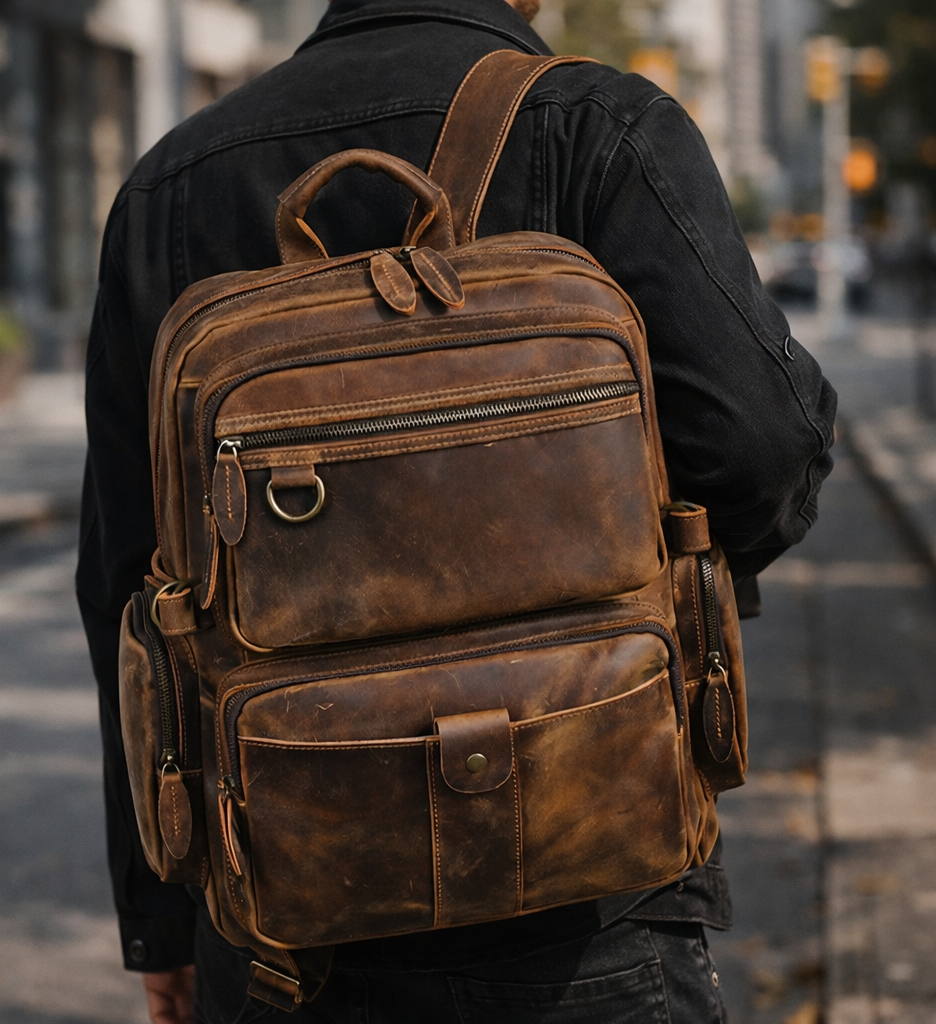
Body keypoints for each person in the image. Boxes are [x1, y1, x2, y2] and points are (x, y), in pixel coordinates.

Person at [76, 0, 837, 1021]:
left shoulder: (167, 186)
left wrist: (160, 915)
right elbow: (765, 446)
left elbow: (125, 587)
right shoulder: (597, 127)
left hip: (281, 922)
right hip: (585, 884)